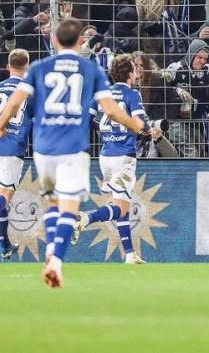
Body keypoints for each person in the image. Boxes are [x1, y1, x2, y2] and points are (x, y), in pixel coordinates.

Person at [0, 19, 144, 287]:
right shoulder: (91, 69)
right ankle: (55, 260)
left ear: (54, 41)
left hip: (45, 146)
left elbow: (14, 102)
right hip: (73, 147)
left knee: (54, 204)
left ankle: (49, 253)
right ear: (81, 42)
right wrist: (133, 123)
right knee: (69, 207)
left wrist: (0, 126)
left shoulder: (39, 68)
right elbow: (111, 110)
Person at [71, 54, 160, 264]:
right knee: (120, 207)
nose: (137, 74)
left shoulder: (102, 94)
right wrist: (151, 131)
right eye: (135, 70)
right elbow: (139, 121)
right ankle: (84, 218)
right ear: (130, 74)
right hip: (123, 157)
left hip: (105, 155)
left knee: (122, 203)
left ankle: (129, 253)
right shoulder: (132, 94)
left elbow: (89, 118)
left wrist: (105, 132)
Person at [0, 49, 33, 260]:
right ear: (27, 67)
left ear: (8, 66)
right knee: (4, 196)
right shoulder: (30, 92)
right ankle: (4, 244)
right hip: (12, 147)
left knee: (4, 198)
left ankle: (6, 244)